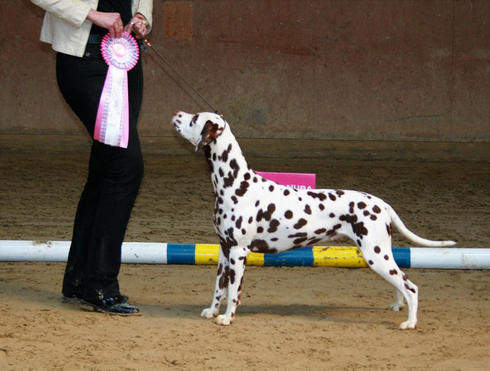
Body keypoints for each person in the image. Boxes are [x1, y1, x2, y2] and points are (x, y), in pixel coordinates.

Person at [30, 0, 153, 315]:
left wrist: (142, 17)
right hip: (83, 61)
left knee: (106, 170)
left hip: (126, 58)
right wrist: (92, 14)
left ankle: (80, 279)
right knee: (127, 167)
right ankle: (100, 284)